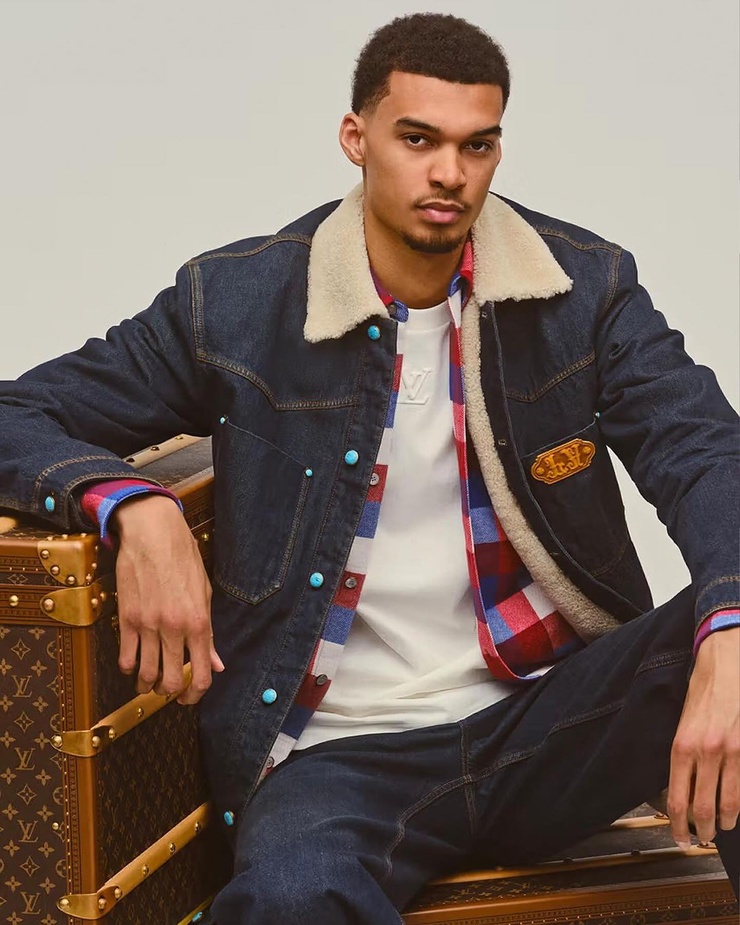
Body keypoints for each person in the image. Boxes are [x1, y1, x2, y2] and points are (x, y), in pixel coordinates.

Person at [0, 12, 738, 922]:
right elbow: (15, 412)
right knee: (289, 898)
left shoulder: (584, 290)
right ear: (356, 138)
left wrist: (729, 628)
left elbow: (706, 451)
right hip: (339, 762)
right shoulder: (236, 303)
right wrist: (131, 504)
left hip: (547, 722)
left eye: (477, 145)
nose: (449, 173)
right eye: (417, 139)